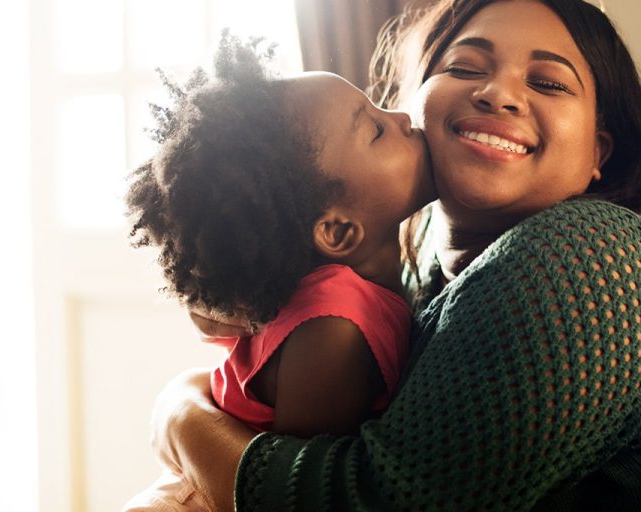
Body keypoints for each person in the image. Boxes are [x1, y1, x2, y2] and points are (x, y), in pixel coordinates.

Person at [148, 1, 641, 511]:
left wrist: (182, 416)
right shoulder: (412, 263)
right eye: (466, 67)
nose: (497, 92)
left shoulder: (589, 255)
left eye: (548, 83)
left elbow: (373, 500)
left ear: (598, 151)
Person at [121, 32, 435, 511]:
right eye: (375, 130)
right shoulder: (336, 328)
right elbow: (291, 491)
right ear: (336, 231)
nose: (403, 117)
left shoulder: (341, 295)